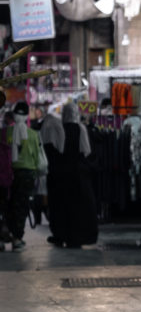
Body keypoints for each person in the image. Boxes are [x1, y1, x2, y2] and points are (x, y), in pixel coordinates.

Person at [40, 103, 98, 248]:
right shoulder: (81, 129)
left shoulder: (57, 128)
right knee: (79, 207)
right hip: (78, 175)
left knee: (60, 206)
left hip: (60, 175)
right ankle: (77, 237)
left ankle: (61, 234)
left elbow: (55, 150)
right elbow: (85, 151)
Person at [1, 102, 41, 251]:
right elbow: (36, 157)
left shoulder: (5, 133)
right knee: (21, 207)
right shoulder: (32, 134)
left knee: (6, 206)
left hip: (7, 175)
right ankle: (17, 239)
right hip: (26, 175)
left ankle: (4, 236)